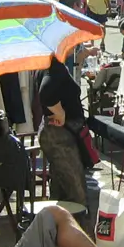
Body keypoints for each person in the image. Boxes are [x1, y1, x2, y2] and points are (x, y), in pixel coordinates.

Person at [37, 55, 91, 210]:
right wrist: (60, 113)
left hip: (58, 133)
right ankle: (80, 229)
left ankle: (57, 230)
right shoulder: (54, 67)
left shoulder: (48, 65)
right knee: (76, 194)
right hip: (60, 135)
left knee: (61, 189)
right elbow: (45, 93)